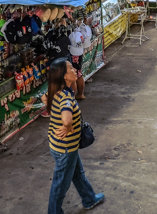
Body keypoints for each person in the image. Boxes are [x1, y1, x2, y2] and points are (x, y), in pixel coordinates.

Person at [41, 58, 104, 214]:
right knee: (60, 184)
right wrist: (66, 126)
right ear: (63, 75)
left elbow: (44, 98)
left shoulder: (55, 91)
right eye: (70, 68)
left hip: (64, 146)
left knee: (78, 175)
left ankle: (89, 199)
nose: (74, 69)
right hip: (65, 149)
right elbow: (67, 118)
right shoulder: (66, 98)